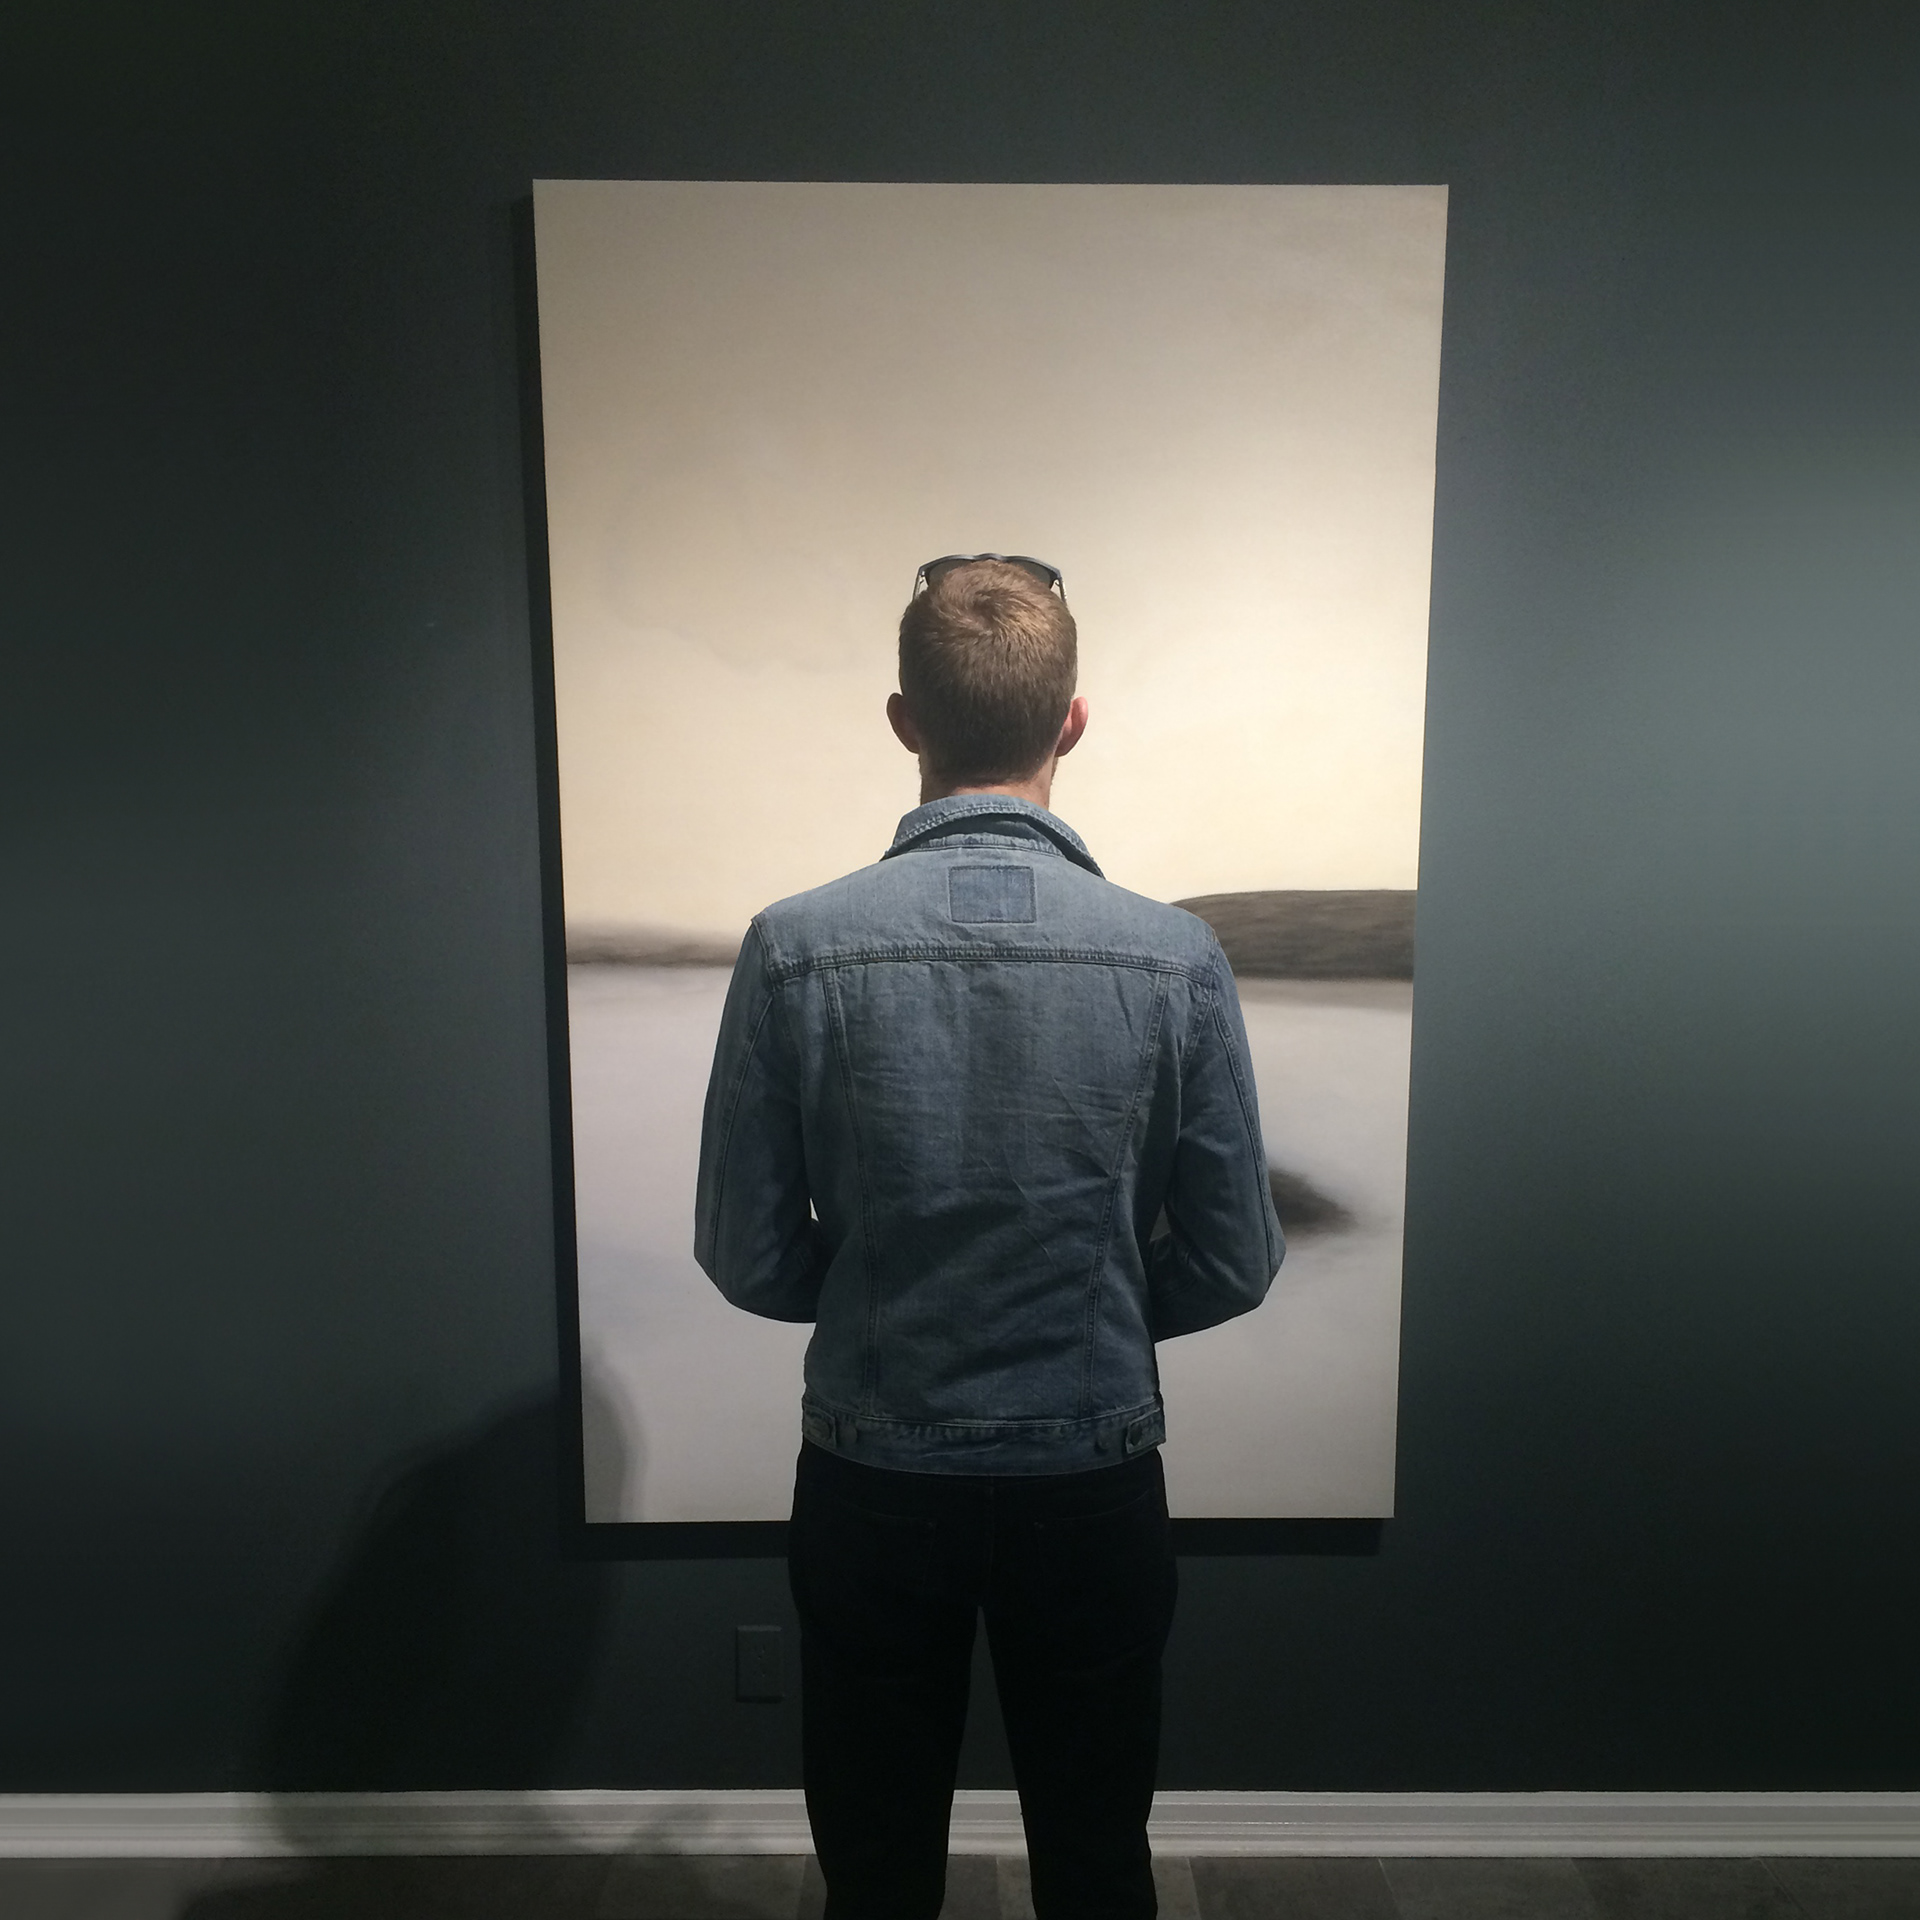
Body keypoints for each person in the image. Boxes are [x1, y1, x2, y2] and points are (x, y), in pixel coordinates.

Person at [695, 555, 1283, 1920]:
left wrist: (878, 1295)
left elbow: (745, 1249)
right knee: (1097, 1860)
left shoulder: (794, 946)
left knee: (875, 1870)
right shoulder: (1175, 957)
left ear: (904, 721)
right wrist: (1106, 1298)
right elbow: (1236, 1257)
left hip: (873, 1478)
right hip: (1092, 1476)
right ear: (1072, 720)